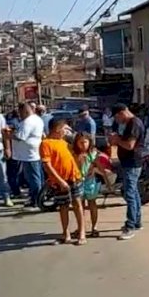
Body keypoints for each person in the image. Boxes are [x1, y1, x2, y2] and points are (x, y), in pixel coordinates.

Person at [41, 118, 86, 246]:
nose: (65, 132)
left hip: (74, 177)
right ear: (57, 129)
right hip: (60, 181)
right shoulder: (46, 143)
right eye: (63, 129)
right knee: (63, 206)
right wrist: (60, 181)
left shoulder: (63, 141)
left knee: (78, 204)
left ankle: (81, 233)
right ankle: (66, 234)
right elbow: (47, 166)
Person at [108, 103, 146, 240]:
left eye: (117, 117)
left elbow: (130, 145)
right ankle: (137, 221)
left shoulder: (134, 123)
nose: (117, 120)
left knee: (129, 194)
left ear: (122, 113)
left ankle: (130, 226)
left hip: (132, 162)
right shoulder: (130, 123)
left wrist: (117, 140)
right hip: (128, 162)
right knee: (134, 192)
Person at [9, 102, 45, 212]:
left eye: (20, 113)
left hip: (29, 154)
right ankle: (35, 197)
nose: (19, 115)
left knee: (33, 178)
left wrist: (9, 134)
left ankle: (36, 200)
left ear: (25, 111)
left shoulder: (28, 122)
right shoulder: (36, 119)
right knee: (35, 177)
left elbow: (21, 136)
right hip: (30, 153)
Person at [73, 132, 101, 238]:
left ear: (89, 142)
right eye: (80, 142)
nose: (83, 144)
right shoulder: (74, 153)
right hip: (78, 181)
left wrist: (107, 181)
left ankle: (94, 227)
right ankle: (81, 227)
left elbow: (99, 166)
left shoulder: (93, 153)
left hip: (90, 182)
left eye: (85, 142)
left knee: (92, 204)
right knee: (80, 206)